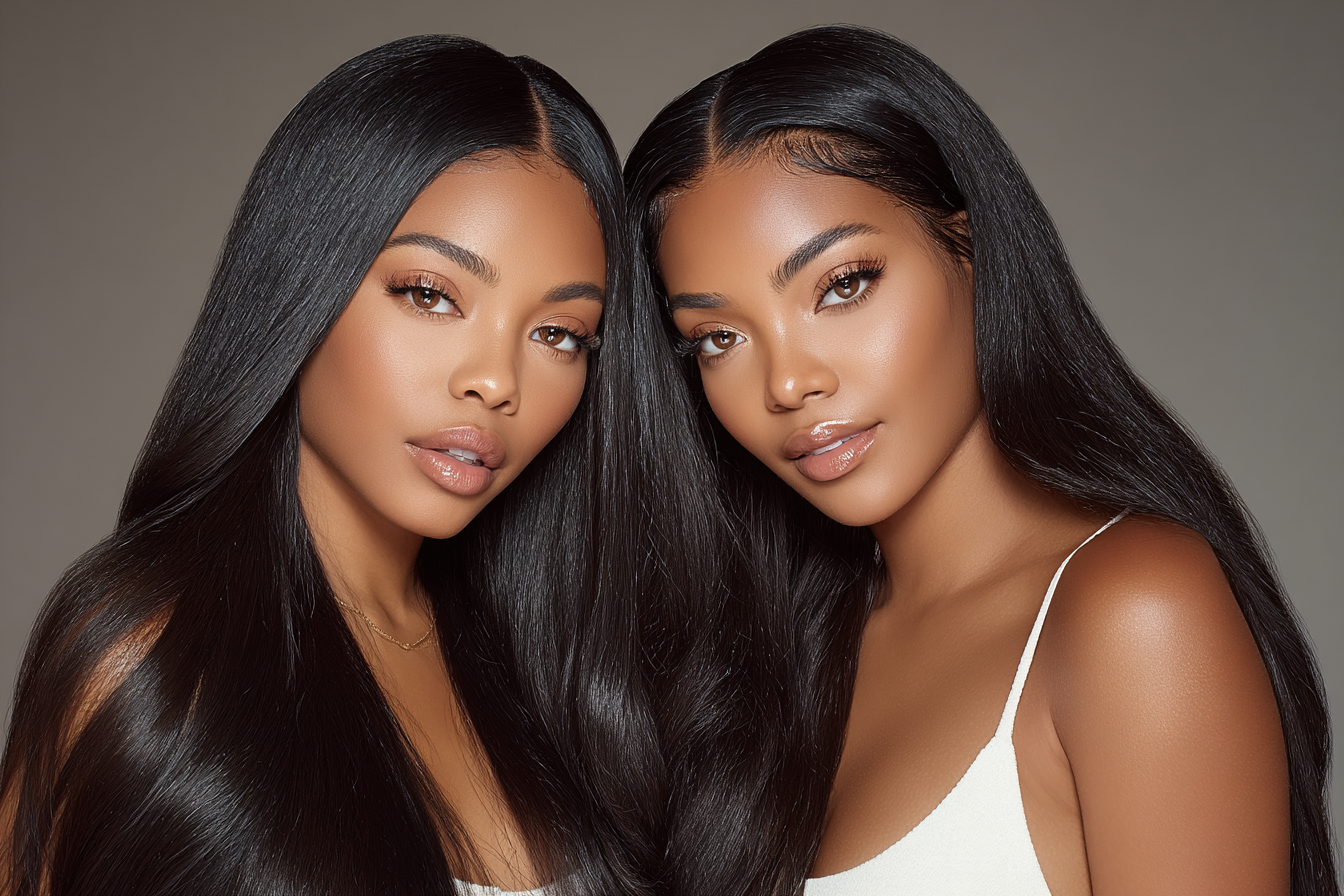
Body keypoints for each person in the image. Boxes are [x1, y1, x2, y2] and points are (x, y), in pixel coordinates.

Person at [625, 25, 1335, 896]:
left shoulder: (1134, 612)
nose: (790, 381)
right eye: (718, 337)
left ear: (971, 248)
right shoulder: (768, 658)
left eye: (842, 284)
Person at [0, 35, 662, 896]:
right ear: (301, 288)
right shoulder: (152, 652)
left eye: (558, 334)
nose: (496, 381)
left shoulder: (558, 670)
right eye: (431, 295)